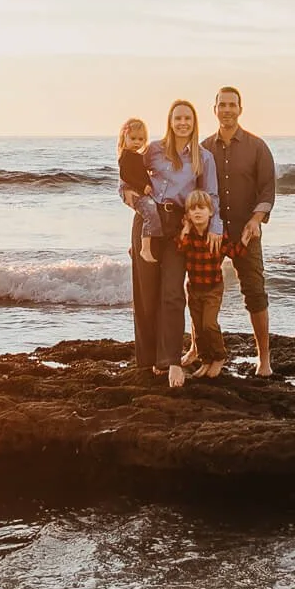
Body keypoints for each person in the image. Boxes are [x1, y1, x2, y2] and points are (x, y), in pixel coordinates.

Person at [120, 99, 222, 388]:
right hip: (148, 225)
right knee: (145, 291)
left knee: (173, 292)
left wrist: (214, 228)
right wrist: (127, 195)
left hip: (179, 227)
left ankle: (171, 361)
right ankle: (148, 360)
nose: (182, 123)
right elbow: (128, 177)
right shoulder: (152, 150)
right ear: (170, 120)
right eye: (177, 118)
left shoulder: (204, 158)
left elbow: (211, 196)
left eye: (187, 118)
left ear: (194, 121)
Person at [206, 85, 277, 377]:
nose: (227, 110)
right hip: (211, 233)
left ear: (240, 109)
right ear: (215, 110)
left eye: (232, 105)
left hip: (246, 234)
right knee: (203, 292)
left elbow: (267, 188)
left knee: (255, 293)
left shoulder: (257, 146)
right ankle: (201, 350)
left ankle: (264, 359)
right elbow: (195, 189)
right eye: (222, 105)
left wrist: (256, 220)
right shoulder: (204, 148)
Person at [175, 189, 227, 377]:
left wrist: (246, 239)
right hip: (194, 288)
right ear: (187, 214)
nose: (197, 212)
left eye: (202, 208)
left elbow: (234, 250)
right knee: (197, 326)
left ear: (211, 212)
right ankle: (205, 360)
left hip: (213, 288)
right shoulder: (188, 236)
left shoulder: (215, 236)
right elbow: (179, 247)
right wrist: (186, 230)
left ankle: (220, 356)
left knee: (209, 325)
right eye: (192, 209)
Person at [116, 118, 159, 262]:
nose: (137, 142)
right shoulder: (126, 155)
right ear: (125, 137)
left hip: (138, 189)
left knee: (150, 212)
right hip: (129, 188)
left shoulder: (138, 156)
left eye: (141, 139)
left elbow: (141, 173)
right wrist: (143, 186)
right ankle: (144, 249)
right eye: (133, 138)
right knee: (150, 213)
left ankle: (134, 247)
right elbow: (126, 175)